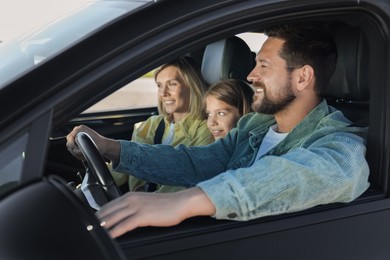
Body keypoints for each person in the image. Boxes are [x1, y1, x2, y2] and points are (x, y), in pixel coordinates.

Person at [66, 22, 370, 238]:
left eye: (264, 66)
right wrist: (113, 148)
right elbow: (196, 163)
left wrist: (187, 201)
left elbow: (312, 172)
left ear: (303, 77)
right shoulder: (253, 126)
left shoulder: (338, 139)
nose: (250, 75)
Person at [112, 56, 213, 193]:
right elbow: (119, 172)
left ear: (192, 86)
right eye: (159, 86)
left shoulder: (206, 131)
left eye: (172, 84)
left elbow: (178, 190)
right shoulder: (151, 125)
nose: (163, 93)